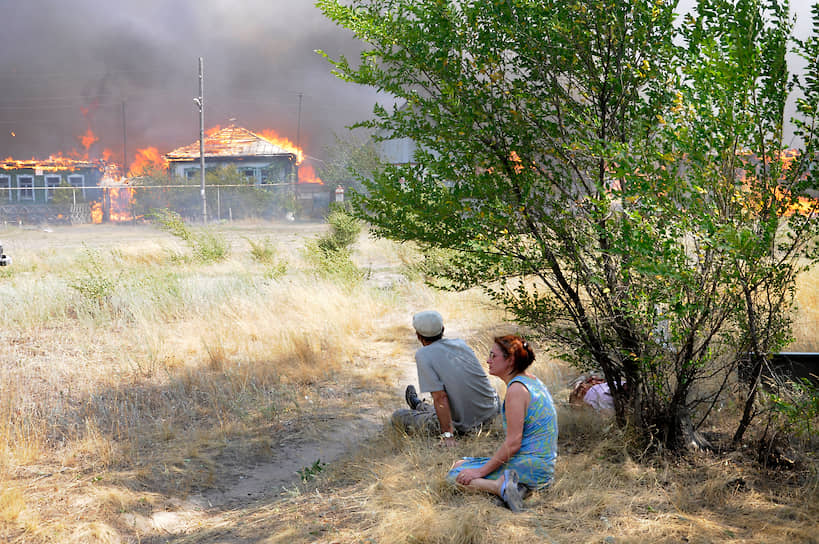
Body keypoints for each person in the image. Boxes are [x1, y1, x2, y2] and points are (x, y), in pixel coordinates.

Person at [447, 335, 558, 512]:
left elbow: (513, 443)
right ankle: (516, 487)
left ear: (511, 360)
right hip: (540, 465)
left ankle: (499, 487)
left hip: (533, 467)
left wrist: (480, 472)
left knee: (454, 476)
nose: (488, 360)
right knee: (459, 463)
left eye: (493, 356)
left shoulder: (516, 390)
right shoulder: (530, 380)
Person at [391, 310, 500, 447]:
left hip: (466, 424)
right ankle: (419, 405)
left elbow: (440, 398)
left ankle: (419, 407)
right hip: (492, 411)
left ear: (418, 336)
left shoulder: (423, 355)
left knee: (398, 416)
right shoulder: (460, 344)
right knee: (447, 405)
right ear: (443, 329)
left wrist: (447, 435)